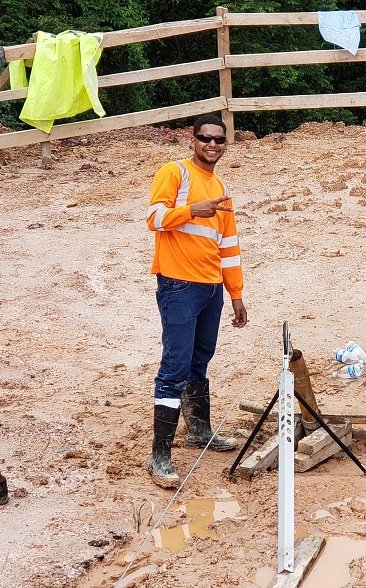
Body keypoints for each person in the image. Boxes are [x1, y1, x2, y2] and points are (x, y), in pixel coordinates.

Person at [144, 114, 248, 488]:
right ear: (193, 139)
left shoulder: (220, 186)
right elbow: (154, 218)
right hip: (179, 286)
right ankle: (160, 456)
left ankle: (199, 430)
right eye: (206, 138)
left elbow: (229, 246)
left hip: (211, 289)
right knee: (175, 367)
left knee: (199, 360)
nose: (212, 145)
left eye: (219, 140)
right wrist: (192, 210)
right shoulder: (175, 173)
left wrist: (236, 294)